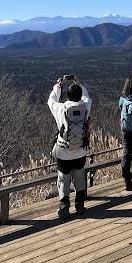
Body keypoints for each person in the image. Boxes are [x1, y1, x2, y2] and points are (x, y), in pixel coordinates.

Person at [48, 81, 92, 219]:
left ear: (67, 96)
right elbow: (87, 97)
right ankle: (80, 205)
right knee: (79, 176)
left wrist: (57, 87)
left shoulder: (61, 109)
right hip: (80, 150)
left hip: (63, 152)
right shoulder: (85, 106)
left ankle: (64, 207)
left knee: (63, 179)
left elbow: (51, 101)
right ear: (79, 95)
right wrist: (80, 85)